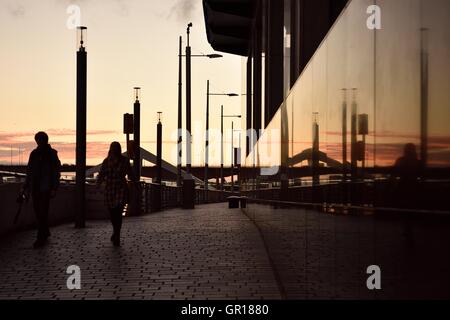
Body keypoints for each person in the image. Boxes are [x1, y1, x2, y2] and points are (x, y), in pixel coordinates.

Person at [23, 132, 61, 248]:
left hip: (46, 188)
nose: (39, 142)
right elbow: (29, 171)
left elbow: (56, 172)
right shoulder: (33, 154)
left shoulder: (51, 154)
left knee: (43, 212)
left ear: (45, 140)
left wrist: (54, 187)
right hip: (35, 187)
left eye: (40, 140)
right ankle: (45, 230)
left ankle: (40, 238)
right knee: (37, 211)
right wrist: (26, 186)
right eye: (37, 140)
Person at [97, 142, 135, 247]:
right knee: (112, 214)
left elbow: (130, 173)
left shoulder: (124, 161)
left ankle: (117, 235)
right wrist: (98, 184)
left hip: (120, 188)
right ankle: (115, 231)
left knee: (118, 213)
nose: (114, 149)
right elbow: (101, 174)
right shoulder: (106, 161)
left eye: (116, 147)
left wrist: (135, 184)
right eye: (112, 147)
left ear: (118, 149)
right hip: (109, 189)